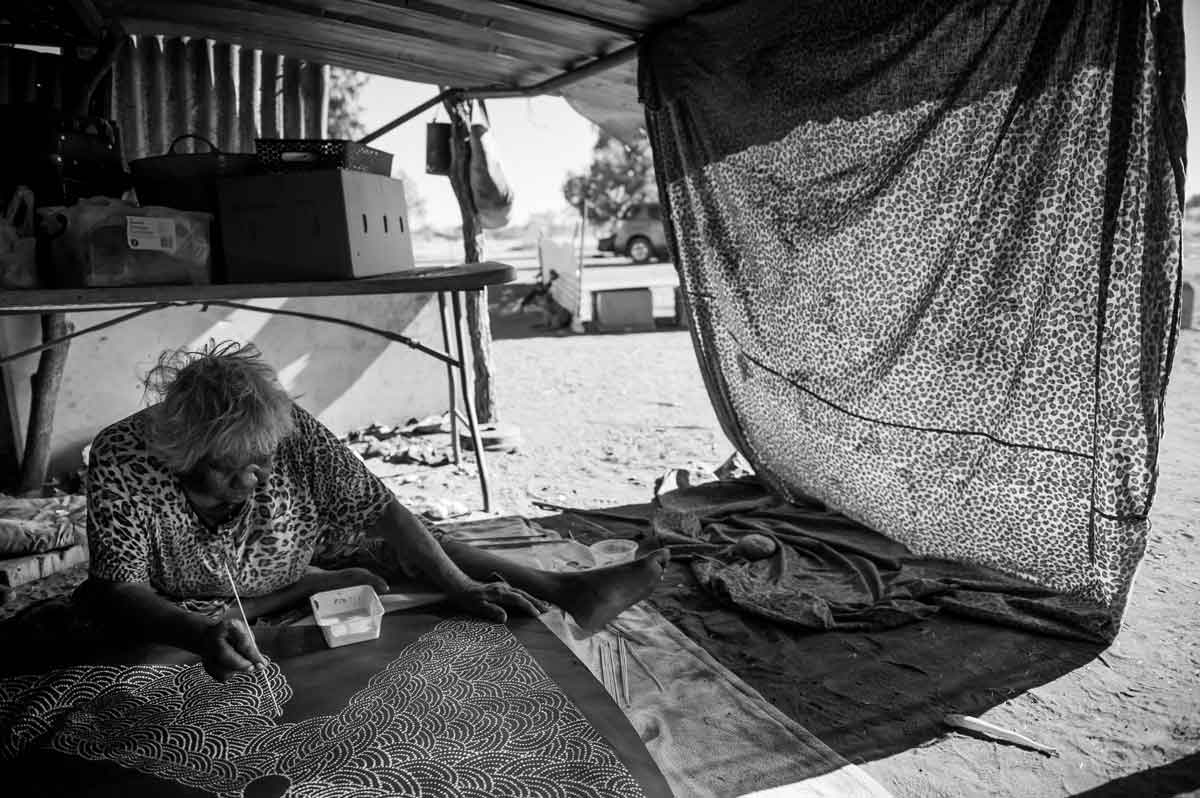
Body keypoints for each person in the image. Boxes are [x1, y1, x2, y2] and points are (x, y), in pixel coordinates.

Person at [81, 341, 667, 682]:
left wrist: (462, 586)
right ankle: (303, 589)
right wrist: (199, 633)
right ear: (184, 453)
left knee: (405, 546)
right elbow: (119, 586)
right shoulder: (122, 457)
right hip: (192, 596)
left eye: (262, 463)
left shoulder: (291, 433)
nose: (253, 480)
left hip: (290, 556)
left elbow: (382, 509)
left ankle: (563, 588)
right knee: (116, 631)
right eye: (229, 470)